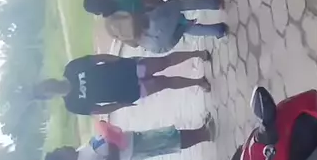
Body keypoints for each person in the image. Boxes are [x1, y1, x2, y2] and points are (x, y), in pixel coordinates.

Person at [33, 51, 212, 115]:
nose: (50, 87)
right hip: (127, 93)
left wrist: (121, 60)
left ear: (49, 80)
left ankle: (197, 54)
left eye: (46, 84)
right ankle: (198, 82)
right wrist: (121, 105)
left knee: (164, 62)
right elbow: (99, 110)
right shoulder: (72, 105)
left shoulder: (71, 68)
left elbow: (98, 58)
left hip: (128, 69)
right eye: (47, 91)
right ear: (49, 97)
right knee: (165, 83)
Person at [83, 0, 227, 52]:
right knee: (177, 5)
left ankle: (218, 30)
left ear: (97, 13)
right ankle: (214, 3)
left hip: (156, 45)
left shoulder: (109, 28)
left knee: (182, 27)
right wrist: (165, 9)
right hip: (157, 23)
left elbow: (134, 44)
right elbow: (152, 1)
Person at [45, 118, 215, 160]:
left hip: (131, 140)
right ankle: (205, 134)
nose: (65, 147)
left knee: (167, 135)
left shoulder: (80, 151)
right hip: (132, 150)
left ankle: (201, 131)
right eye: (61, 151)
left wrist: (105, 129)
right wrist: (111, 139)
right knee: (170, 140)